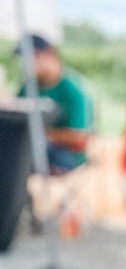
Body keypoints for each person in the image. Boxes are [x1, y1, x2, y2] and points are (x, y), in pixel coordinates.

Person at [11, 32, 94, 174]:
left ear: (49, 54)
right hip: (27, 149)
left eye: (33, 57)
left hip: (65, 156)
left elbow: (79, 137)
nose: (26, 63)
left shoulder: (74, 90)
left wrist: (41, 134)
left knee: (19, 156)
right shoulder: (28, 87)